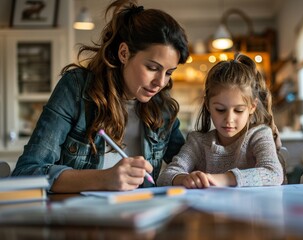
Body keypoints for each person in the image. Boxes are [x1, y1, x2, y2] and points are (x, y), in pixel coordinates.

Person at [11, 0, 189, 193]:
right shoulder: (76, 88)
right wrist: (103, 179)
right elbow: (26, 173)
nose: (160, 82)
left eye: (169, 72)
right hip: (79, 217)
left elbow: (187, 165)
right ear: (124, 53)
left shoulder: (162, 107)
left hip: (141, 216)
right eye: (152, 68)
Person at [157, 53, 286, 188]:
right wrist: (184, 178)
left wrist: (222, 179)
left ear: (252, 107)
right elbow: (166, 176)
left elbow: (274, 173)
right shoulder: (198, 142)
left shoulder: (258, 135)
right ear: (207, 105)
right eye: (220, 109)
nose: (229, 119)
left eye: (238, 110)